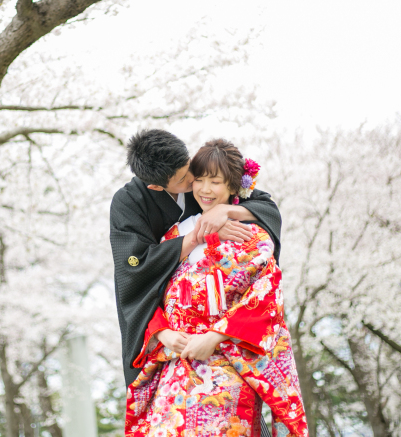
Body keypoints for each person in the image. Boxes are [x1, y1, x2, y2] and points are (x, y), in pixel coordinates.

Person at [124, 139, 307, 437]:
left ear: (234, 185)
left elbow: (265, 298)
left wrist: (214, 336)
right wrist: (163, 332)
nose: (205, 189)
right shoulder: (174, 235)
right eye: (199, 180)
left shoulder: (252, 236)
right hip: (176, 362)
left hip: (226, 359)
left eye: (216, 181)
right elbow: (149, 291)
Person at [110, 130, 282, 388]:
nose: (194, 181)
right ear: (156, 186)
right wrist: (200, 234)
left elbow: (265, 208)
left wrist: (225, 210)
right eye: (183, 179)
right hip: (172, 324)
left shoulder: (202, 182)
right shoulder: (128, 203)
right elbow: (134, 269)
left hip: (222, 323)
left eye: (189, 168)